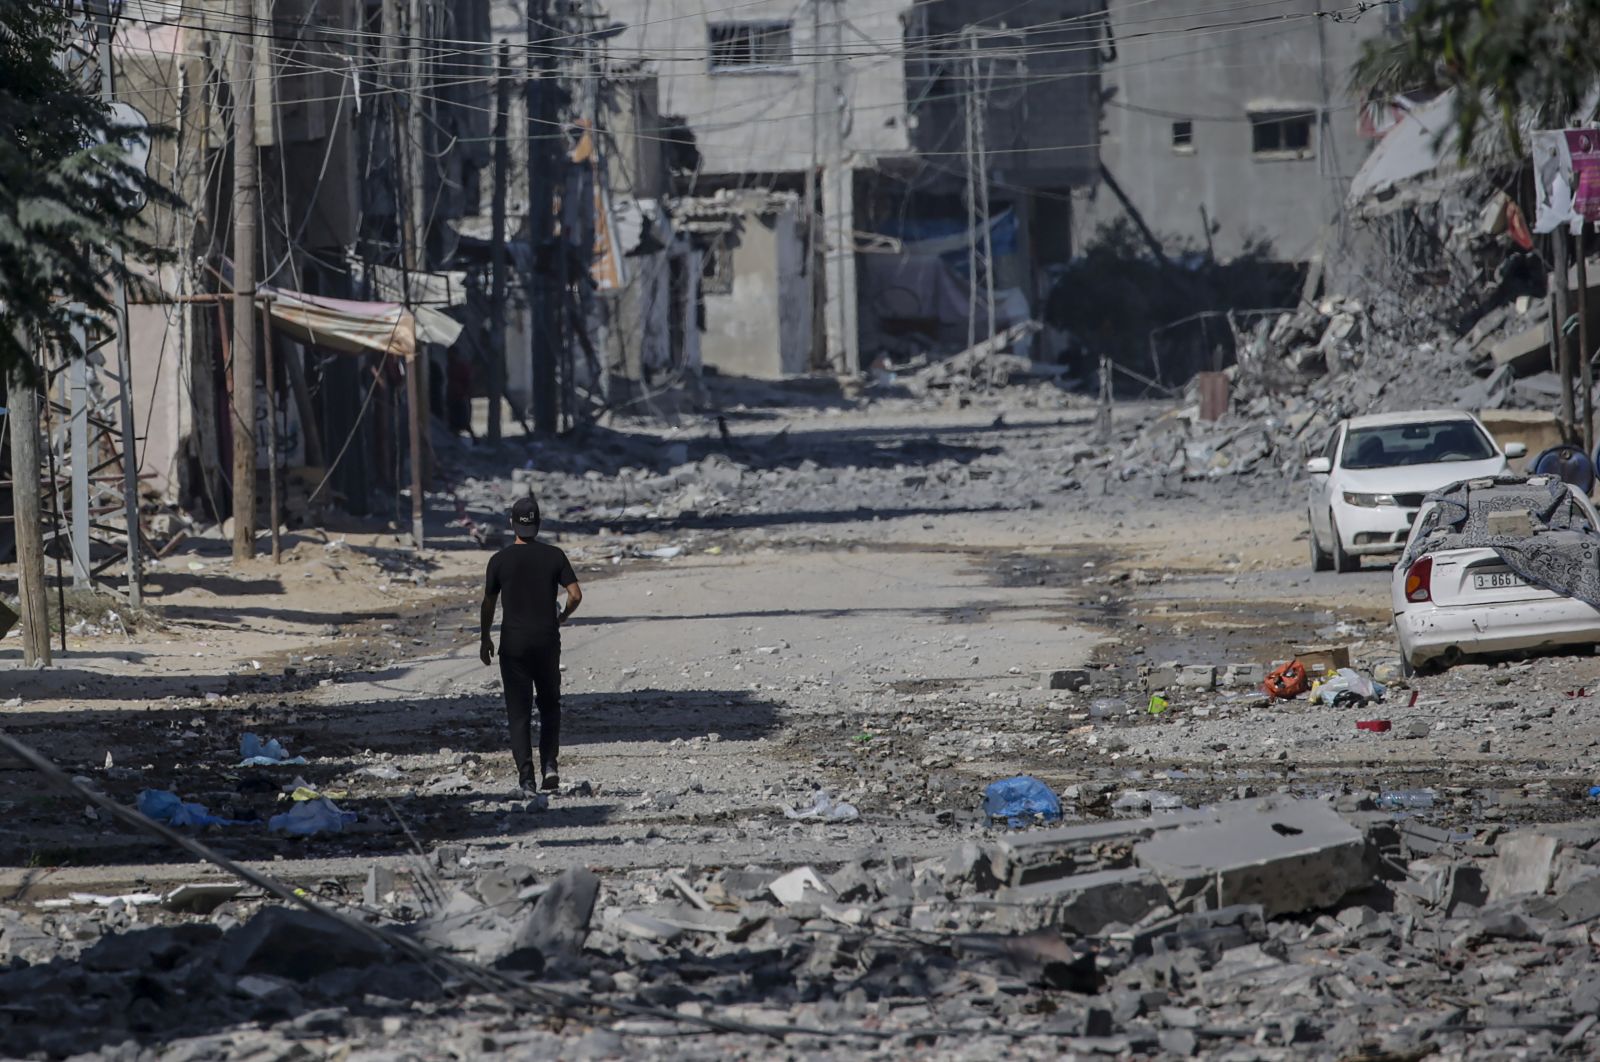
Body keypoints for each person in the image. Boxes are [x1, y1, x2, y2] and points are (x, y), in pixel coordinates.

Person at [480, 496, 582, 794]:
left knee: (519, 712)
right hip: (547, 641)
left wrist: (485, 636)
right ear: (538, 524)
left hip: (513, 645)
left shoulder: (499, 560)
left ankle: (526, 778)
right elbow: (575, 594)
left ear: (511, 523)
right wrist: (562, 615)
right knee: (550, 705)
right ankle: (550, 764)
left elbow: (488, 603)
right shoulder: (554, 555)